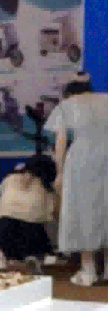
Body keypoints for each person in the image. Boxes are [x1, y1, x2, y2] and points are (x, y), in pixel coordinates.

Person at [47, 72, 108, 286]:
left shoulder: (66, 106)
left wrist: (59, 172)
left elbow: (61, 142)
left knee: (83, 211)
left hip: (81, 160)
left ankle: (88, 269)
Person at [0, 155, 57, 270]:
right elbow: (50, 214)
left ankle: (1, 259)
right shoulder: (46, 187)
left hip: (4, 228)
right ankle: (33, 255)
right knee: (38, 228)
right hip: (32, 232)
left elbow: (1, 192)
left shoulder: (10, 178)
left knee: (5, 223)